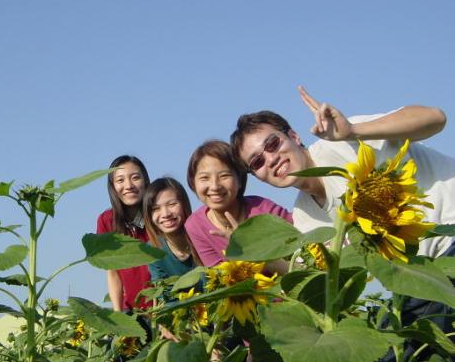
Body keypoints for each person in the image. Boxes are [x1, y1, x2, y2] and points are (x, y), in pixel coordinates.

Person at [230, 86, 453, 258]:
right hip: (428, 272)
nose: (271, 159)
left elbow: (435, 118)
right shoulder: (305, 218)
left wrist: (353, 131)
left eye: (272, 144)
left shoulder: (343, 141)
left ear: (294, 136)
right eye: (257, 162)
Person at [185, 139, 292, 273]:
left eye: (224, 175)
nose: (215, 186)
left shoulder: (265, 210)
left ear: (240, 180)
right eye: (204, 178)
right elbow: (220, 277)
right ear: (193, 183)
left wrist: (250, 248)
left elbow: (302, 255)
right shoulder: (195, 226)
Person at [97, 155, 152, 312]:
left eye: (135, 178)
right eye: (120, 180)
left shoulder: (159, 216)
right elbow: (112, 271)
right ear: (113, 187)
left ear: (146, 181)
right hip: (131, 311)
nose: (128, 185)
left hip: (163, 308)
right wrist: (118, 314)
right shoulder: (107, 220)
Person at [143, 177, 202, 283]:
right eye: (156, 209)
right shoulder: (153, 251)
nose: (166, 214)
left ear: (184, 205)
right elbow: (163, 293)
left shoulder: (203, 236)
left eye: (172, 204)